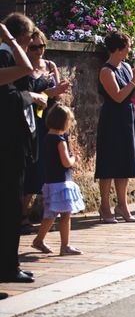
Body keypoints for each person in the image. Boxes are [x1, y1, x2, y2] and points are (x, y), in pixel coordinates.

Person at [0, 14, 43, 284]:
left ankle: (9, 265)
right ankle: (7, 267)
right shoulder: (5, 56)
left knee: (11, 207)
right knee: (8, 208)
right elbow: (12, 95)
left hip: (15, 141)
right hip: (7, 142)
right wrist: (11, 41)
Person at [95, 31, 135, 223]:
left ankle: (122, 204)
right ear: (119, 48)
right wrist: (134, 78)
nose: (130, 50)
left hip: (127, 117)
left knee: (126, 161)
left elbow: (134, 95)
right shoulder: (106, 71)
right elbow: (118, 96)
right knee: (109, 162)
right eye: (127, 46)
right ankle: (105, 206)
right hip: (112, 118)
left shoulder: (127, 67)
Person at [22, 28, 70, 233]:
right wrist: (48, 92)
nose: (38, 51)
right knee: (33, 167)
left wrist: (59, 91)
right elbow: (26, 93)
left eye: (42, 46)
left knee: (49, 168)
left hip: (50, 118)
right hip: (33, 119)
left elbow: (56, 95)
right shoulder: (23, 66)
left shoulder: (50, 65)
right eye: (34, 47)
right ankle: (22, 214)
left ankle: (47, 214)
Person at [30, 104, 85, 256]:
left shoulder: (47, 138)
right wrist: (75, 158)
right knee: (66, 215)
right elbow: (66, 162)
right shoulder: (60, 141)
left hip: (50, 182)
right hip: (62, 183)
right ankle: (65, 246)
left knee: (50, 214)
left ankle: (39, 240)